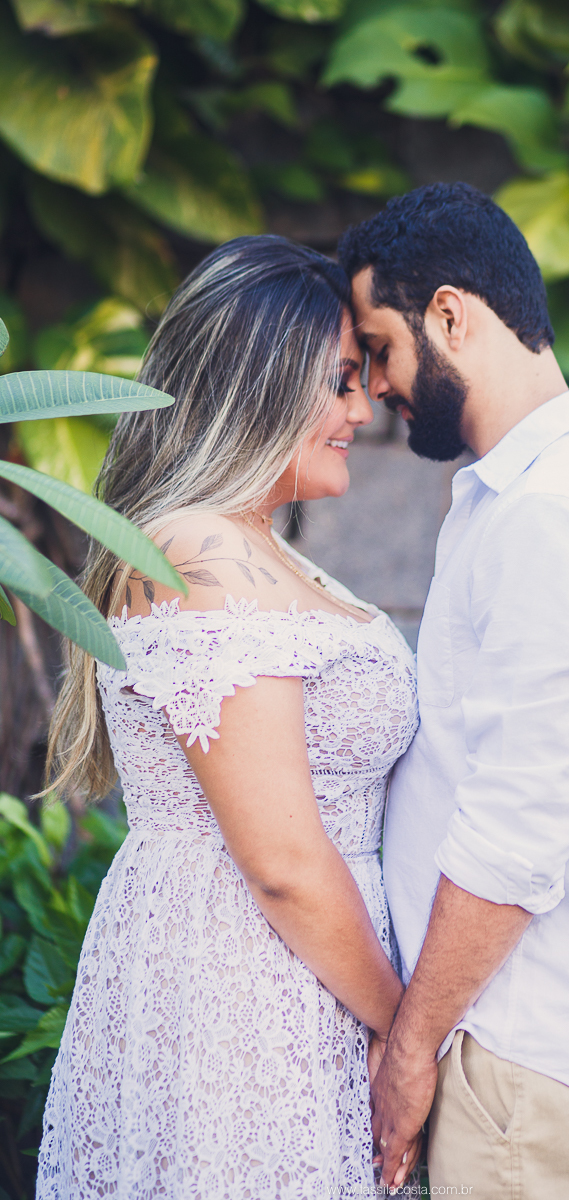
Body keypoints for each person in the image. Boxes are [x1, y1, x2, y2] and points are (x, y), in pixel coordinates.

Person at [36, 236, 422, 1198]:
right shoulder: (197, 552)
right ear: (261, 381)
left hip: (302, 979)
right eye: (340, 382)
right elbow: (282, 861)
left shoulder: (250, 548)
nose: (361, 410)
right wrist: (405, 1030)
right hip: (245, 986)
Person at [339, 182, 569, 1198]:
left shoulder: (552, 515)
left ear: (450, 316)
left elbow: (518, 825)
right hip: (515, 1043)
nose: (376, 387)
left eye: (380, 349)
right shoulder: (543, 493)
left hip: (520, 1053)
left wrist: (411, 1049)